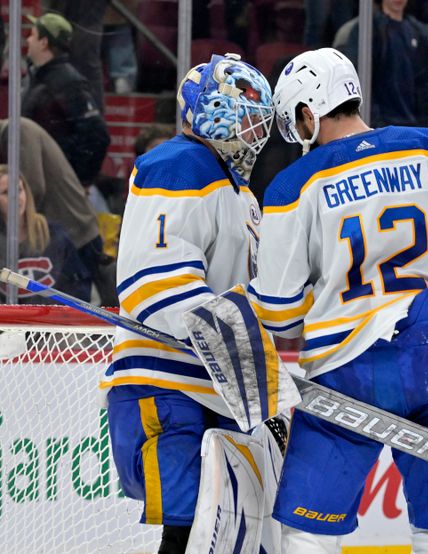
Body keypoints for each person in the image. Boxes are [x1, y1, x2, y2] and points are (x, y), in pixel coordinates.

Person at [250, 47, 428, 553]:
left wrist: (316, 290)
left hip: (346, 373)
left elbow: (280, 315)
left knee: (309, 531)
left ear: (308, 112)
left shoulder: (293, 184)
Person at [101, 53, 282, 553]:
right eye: (244, 116)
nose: (253, 131)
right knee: (190, 527)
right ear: (211, 112)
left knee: (231, 532)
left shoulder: (242, 193)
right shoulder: (179, 163)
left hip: (222, 388)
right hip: (166, 380)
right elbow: (155, 287)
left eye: (257, 121)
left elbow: (254, 296)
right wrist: (244, 352)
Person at [22, 12, 110, 186]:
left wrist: (79, 180)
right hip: (42, 178)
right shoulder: (41, 78)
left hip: (54, 184)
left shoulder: (67, 83)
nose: (28, 40)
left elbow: (97, 135)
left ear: (44, 42)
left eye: (32, 35)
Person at [0, 165, 90, 303]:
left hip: (48, 322)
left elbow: (78, 285)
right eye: (6, 192)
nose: (15, 198)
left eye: (18, 190)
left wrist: (64, 318)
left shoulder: (53, 235)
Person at [340, 0, 428, 127]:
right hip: (379, 120)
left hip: (412, 121)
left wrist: (423, 121)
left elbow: (423, 81)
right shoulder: (367, 29)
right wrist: (374, 120)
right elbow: (358, 76)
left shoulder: (419, 32)